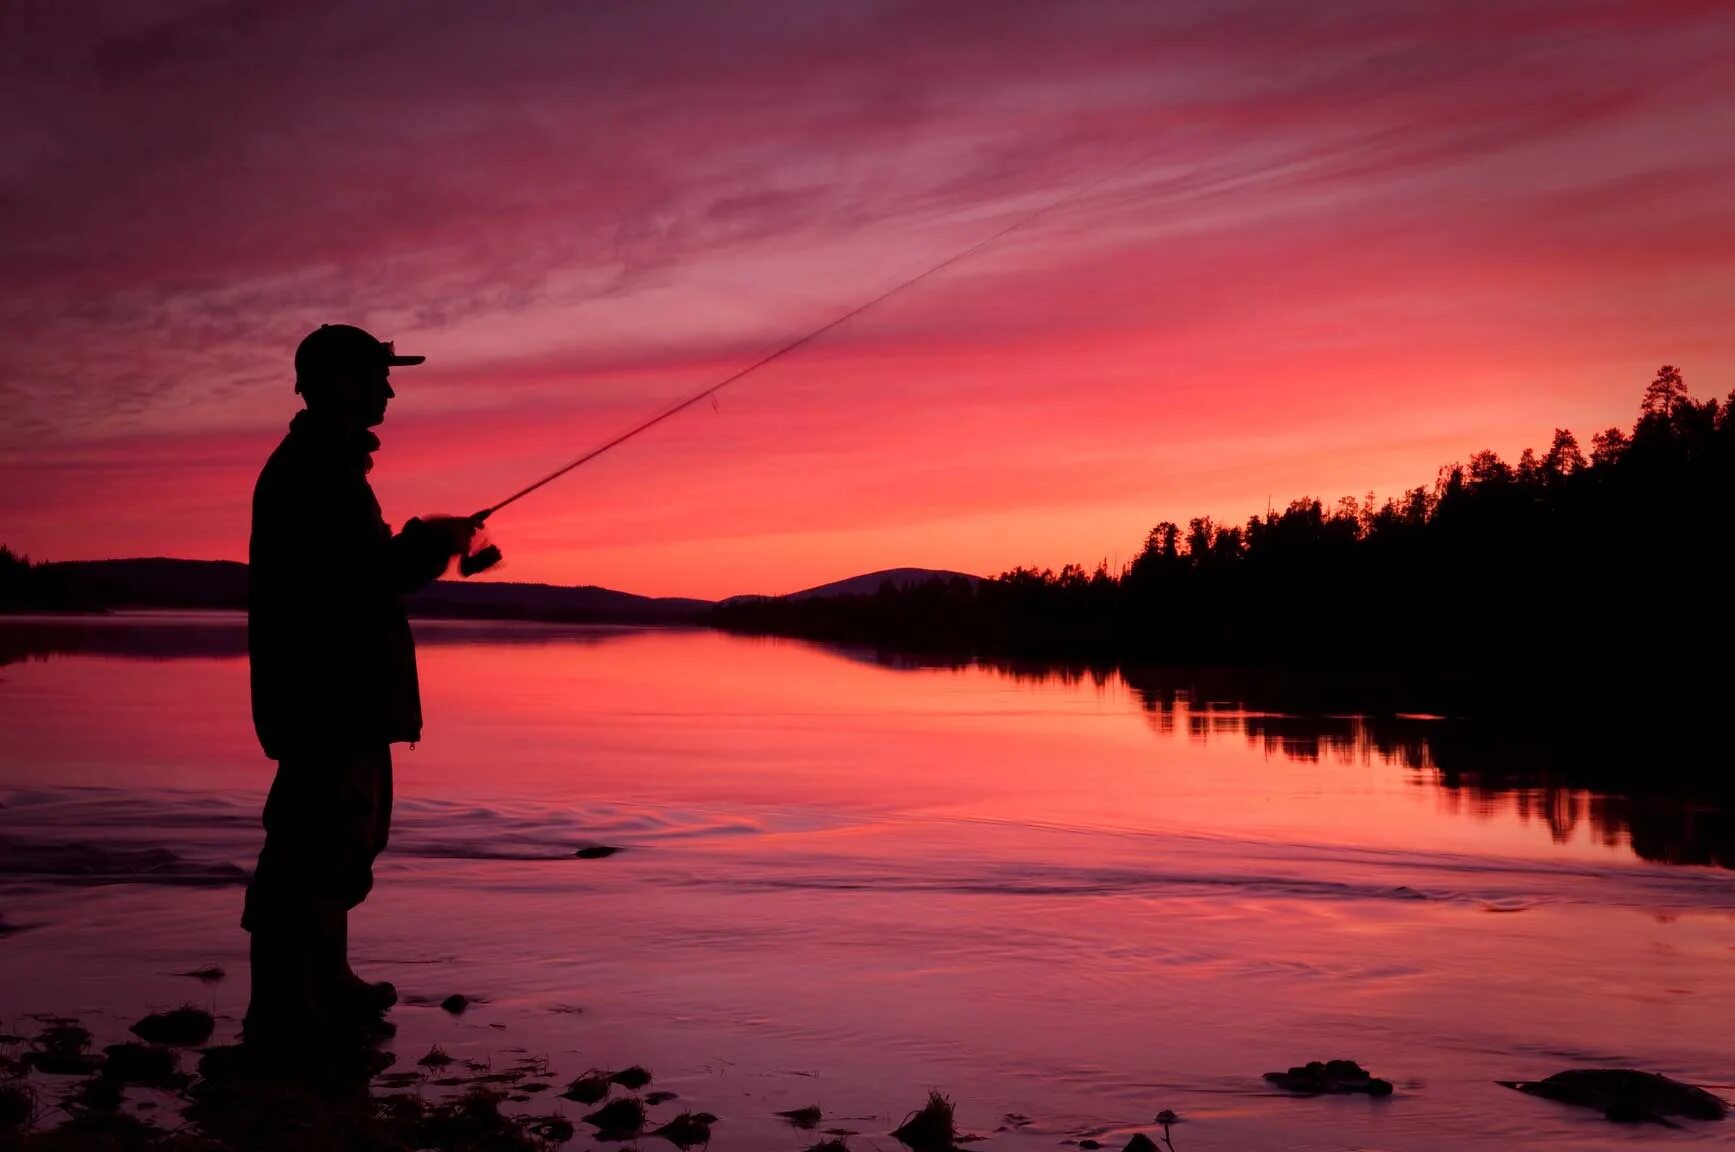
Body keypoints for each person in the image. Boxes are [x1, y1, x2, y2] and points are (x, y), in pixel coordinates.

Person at [241, 323, 479, 1053]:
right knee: (311, 845)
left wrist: (423, 542)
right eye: (376, 375)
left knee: (348, 840)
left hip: (345, 692)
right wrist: (430, 543)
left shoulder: (332, 464)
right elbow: (360, 579)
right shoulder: (313, 467)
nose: (388, 389)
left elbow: (366, 572)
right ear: (337, 382)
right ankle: (284, 1002)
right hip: (325, 692)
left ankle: (329, 977)